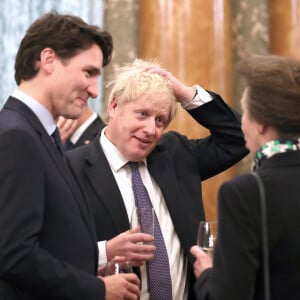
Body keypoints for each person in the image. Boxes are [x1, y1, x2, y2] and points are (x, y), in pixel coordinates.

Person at [67, 58, 248, 300]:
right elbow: (51, 252)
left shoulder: (175, 153)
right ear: (114, 106)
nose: (151, 129)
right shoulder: (72, 168)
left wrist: (185, 93)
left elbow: (238, 137)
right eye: (142, 114)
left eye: (159, 120)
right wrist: (105, 251)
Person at [0, 11, 140, 300]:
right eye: (88, 73)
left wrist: (89, 267)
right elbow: (14, 254)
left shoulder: (38, 132)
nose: (92, 90)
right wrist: (96, 289)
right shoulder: (17, 136)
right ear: (48, 60)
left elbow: (51, 238)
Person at [190, 54, 300, 299]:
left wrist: (207, 274)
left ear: (260, 123)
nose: (242, 125)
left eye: (245, 114)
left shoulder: (244, 192)